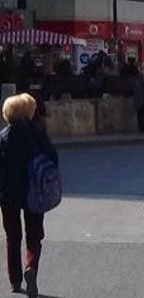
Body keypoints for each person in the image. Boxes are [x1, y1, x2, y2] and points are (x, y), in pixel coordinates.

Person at [0, 94, 58, 297]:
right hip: (35, 191)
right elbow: (53, 158)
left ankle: (15, 280)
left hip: (8, 194)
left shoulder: (3, 136)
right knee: (34, 236)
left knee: (12, 237)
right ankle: (30, 266)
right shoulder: (37, 134)